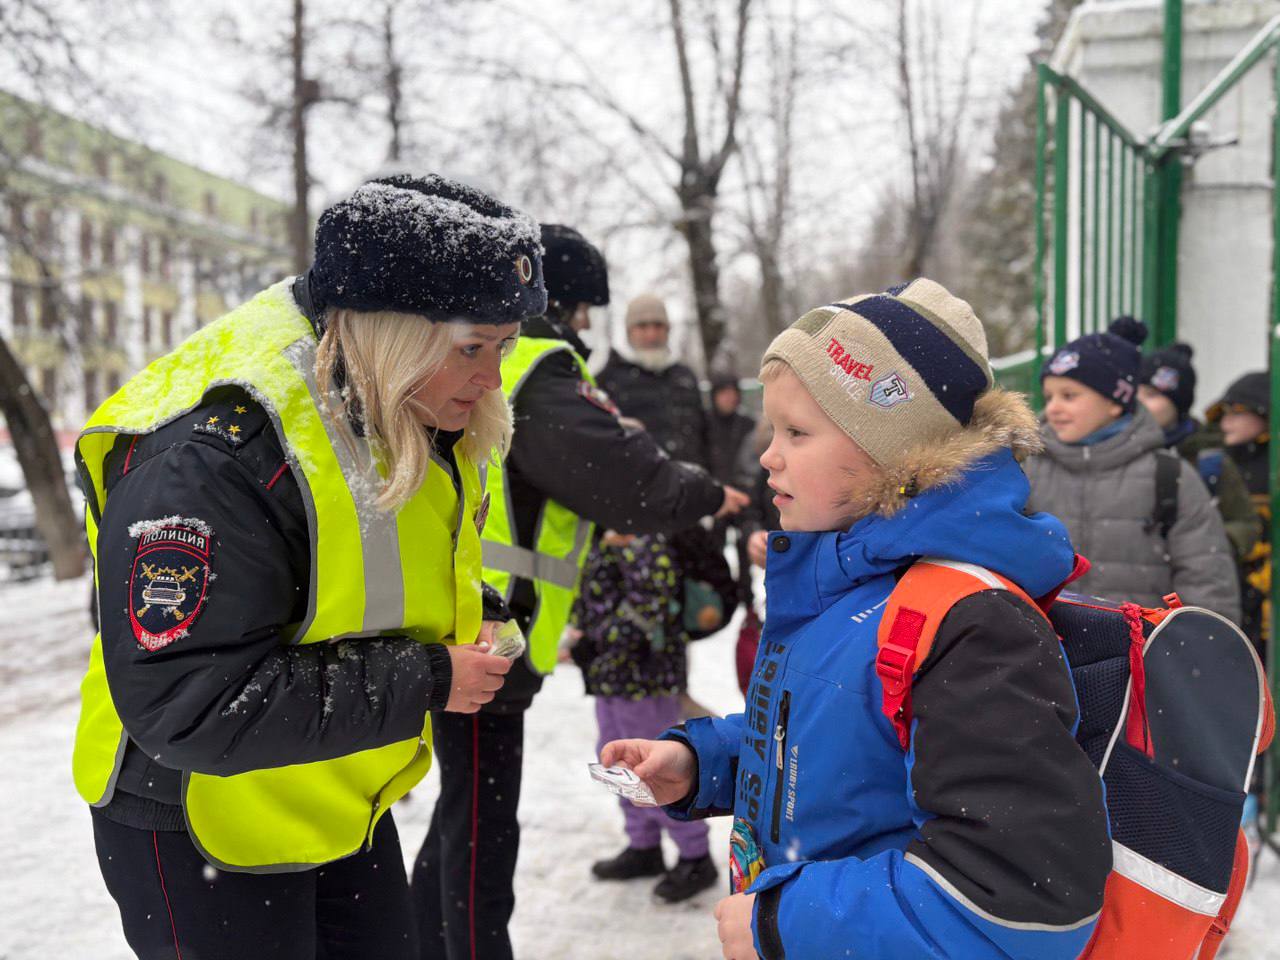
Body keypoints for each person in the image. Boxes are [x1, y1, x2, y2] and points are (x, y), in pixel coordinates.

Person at [72, 174, 533, 959]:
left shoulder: (391, 402)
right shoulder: (219, 453)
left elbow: (359, 566)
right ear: (393, 333)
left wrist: (472, 611)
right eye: (471, 348)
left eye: (505, 348)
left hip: (326, 788)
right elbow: (186, 699)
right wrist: (427, 678)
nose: (492, 378)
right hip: (201, 817)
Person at [600, 279, 1111, 959]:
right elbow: (827, 742)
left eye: (797, 433)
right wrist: (703, 763)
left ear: (894, 455)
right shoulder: (845, 585)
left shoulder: (972, 625)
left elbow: (1024, 901)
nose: (767, 456)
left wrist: (788, 923)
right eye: (771, 430)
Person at [411, 224, 747, 960]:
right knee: (480, 824)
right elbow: (630, 480)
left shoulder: (497, 359)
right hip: (486, 628)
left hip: (474, 617)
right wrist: (705, 493)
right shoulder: (536, 369)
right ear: (559, 303)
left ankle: (427, 938)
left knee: (463, 813)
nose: (589, 328)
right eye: (586, 311)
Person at [1027, 317, 1241, 622]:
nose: (1053, 409)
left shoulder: (1169, 477)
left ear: (1116, 402)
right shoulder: (1026, 469)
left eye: (1069, 396)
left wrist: (1198, 655)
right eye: (1049, 397)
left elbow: (1207, 583)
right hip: (1047, 656)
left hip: (1143, 660)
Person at [571, 522, 736, 902]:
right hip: (610, 675)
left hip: (645, 676)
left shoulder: (642, 529)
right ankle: (643, 845)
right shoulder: (602, 527)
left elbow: (649, 604)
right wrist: (586, 639)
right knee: (616, 758)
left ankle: (694, 855)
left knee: (650, 765)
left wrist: (601, 644)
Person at [1137, 343, 1260, 563]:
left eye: (1152, 395)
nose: (1140, 403)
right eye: (1134, 393)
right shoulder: (1114, 450)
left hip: (1192, 582)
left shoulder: (1208, 458)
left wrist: (1208, 549)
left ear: (1179, 403)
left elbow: (1245, 524)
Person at [597, 293, 710, 466]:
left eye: (658, 325)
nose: (651, 334)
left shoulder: (684, 376)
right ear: (629, 331)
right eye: (642, 326)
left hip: (692, 483)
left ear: (667, 330)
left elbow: (704, 436)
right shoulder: (609, 377)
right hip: (636, 486)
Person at [1206, 371, 1272, 646]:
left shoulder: (1272, 467)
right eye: (1223, 413)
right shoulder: (1214, 463)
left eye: (1237, 413)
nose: (1226, 421)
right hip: (1230, 587)